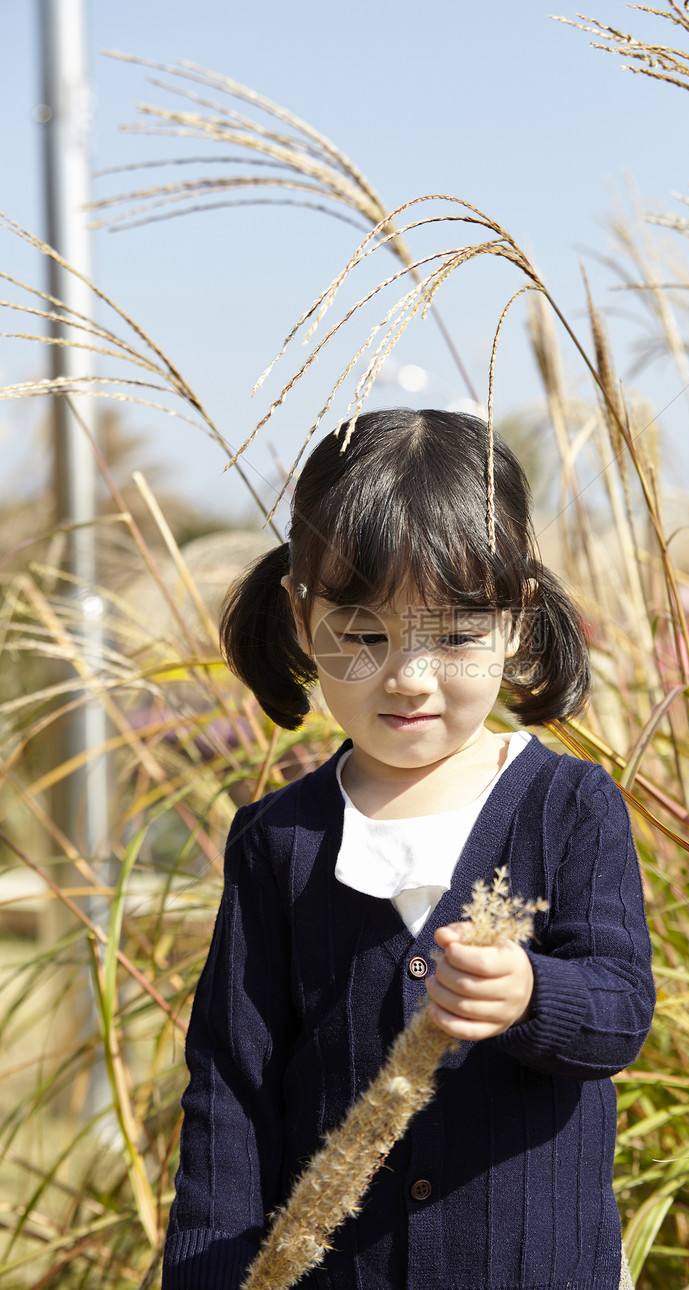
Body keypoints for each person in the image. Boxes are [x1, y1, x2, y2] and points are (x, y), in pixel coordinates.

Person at [162, 407, 654, 1290]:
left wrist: (533, 993)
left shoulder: (570, 808)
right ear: (303, 619)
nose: (409, 677)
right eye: (364, 634)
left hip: (540, 1270)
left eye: (456, 635)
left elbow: (619, 1015)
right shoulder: (280, 841)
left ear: (516, 622)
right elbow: (231, 1089)